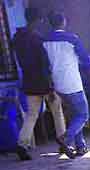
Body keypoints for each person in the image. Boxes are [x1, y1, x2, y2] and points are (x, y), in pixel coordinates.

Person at [43, 12, 90, 158]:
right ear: (63, 22)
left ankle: (80, 146)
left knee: (75, 115)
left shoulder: (44, 41)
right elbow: (86, 62)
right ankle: (65, 139)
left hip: (57, 83)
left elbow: (47, 63)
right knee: (83, 115)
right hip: (72, 83)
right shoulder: (72, 39)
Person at [11, 7, 66, 161]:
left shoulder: (17, 37)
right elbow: (44, 64)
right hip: (43, 81)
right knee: (57, 110)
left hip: (29, 82)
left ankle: (22, 144)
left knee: (31, 115)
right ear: (37, 20)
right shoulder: (37, 38)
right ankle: (63, 141)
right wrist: (50, 86)